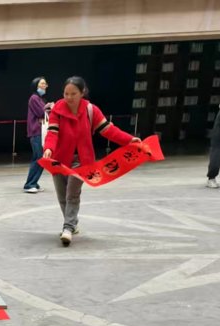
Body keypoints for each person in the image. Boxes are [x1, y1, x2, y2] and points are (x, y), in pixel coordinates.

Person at [43, 76, 140, 247]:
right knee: (62, 196)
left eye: (73, 94)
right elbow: (52, 133)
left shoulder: (91, 110)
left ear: (82, 93)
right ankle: (73, 223)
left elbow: (108, 130)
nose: (69, 97)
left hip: (82, 161)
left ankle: (67, 228)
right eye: (66, 93)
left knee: (72, 193)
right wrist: (48, 148)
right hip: (59, 160)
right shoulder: (57, 109)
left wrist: (129, 139)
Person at [23, 77, 55, 193]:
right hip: (36, 131)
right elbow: (41, 113)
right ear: (36, 85)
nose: (45, 85)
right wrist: (49, 107)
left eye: (45, 84)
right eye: (42, 83)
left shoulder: (39, 99)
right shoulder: (34, 98)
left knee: (40, 157)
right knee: (39, 157)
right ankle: (29, 184)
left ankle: (34, 183)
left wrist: (48, 106)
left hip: (40, 131)